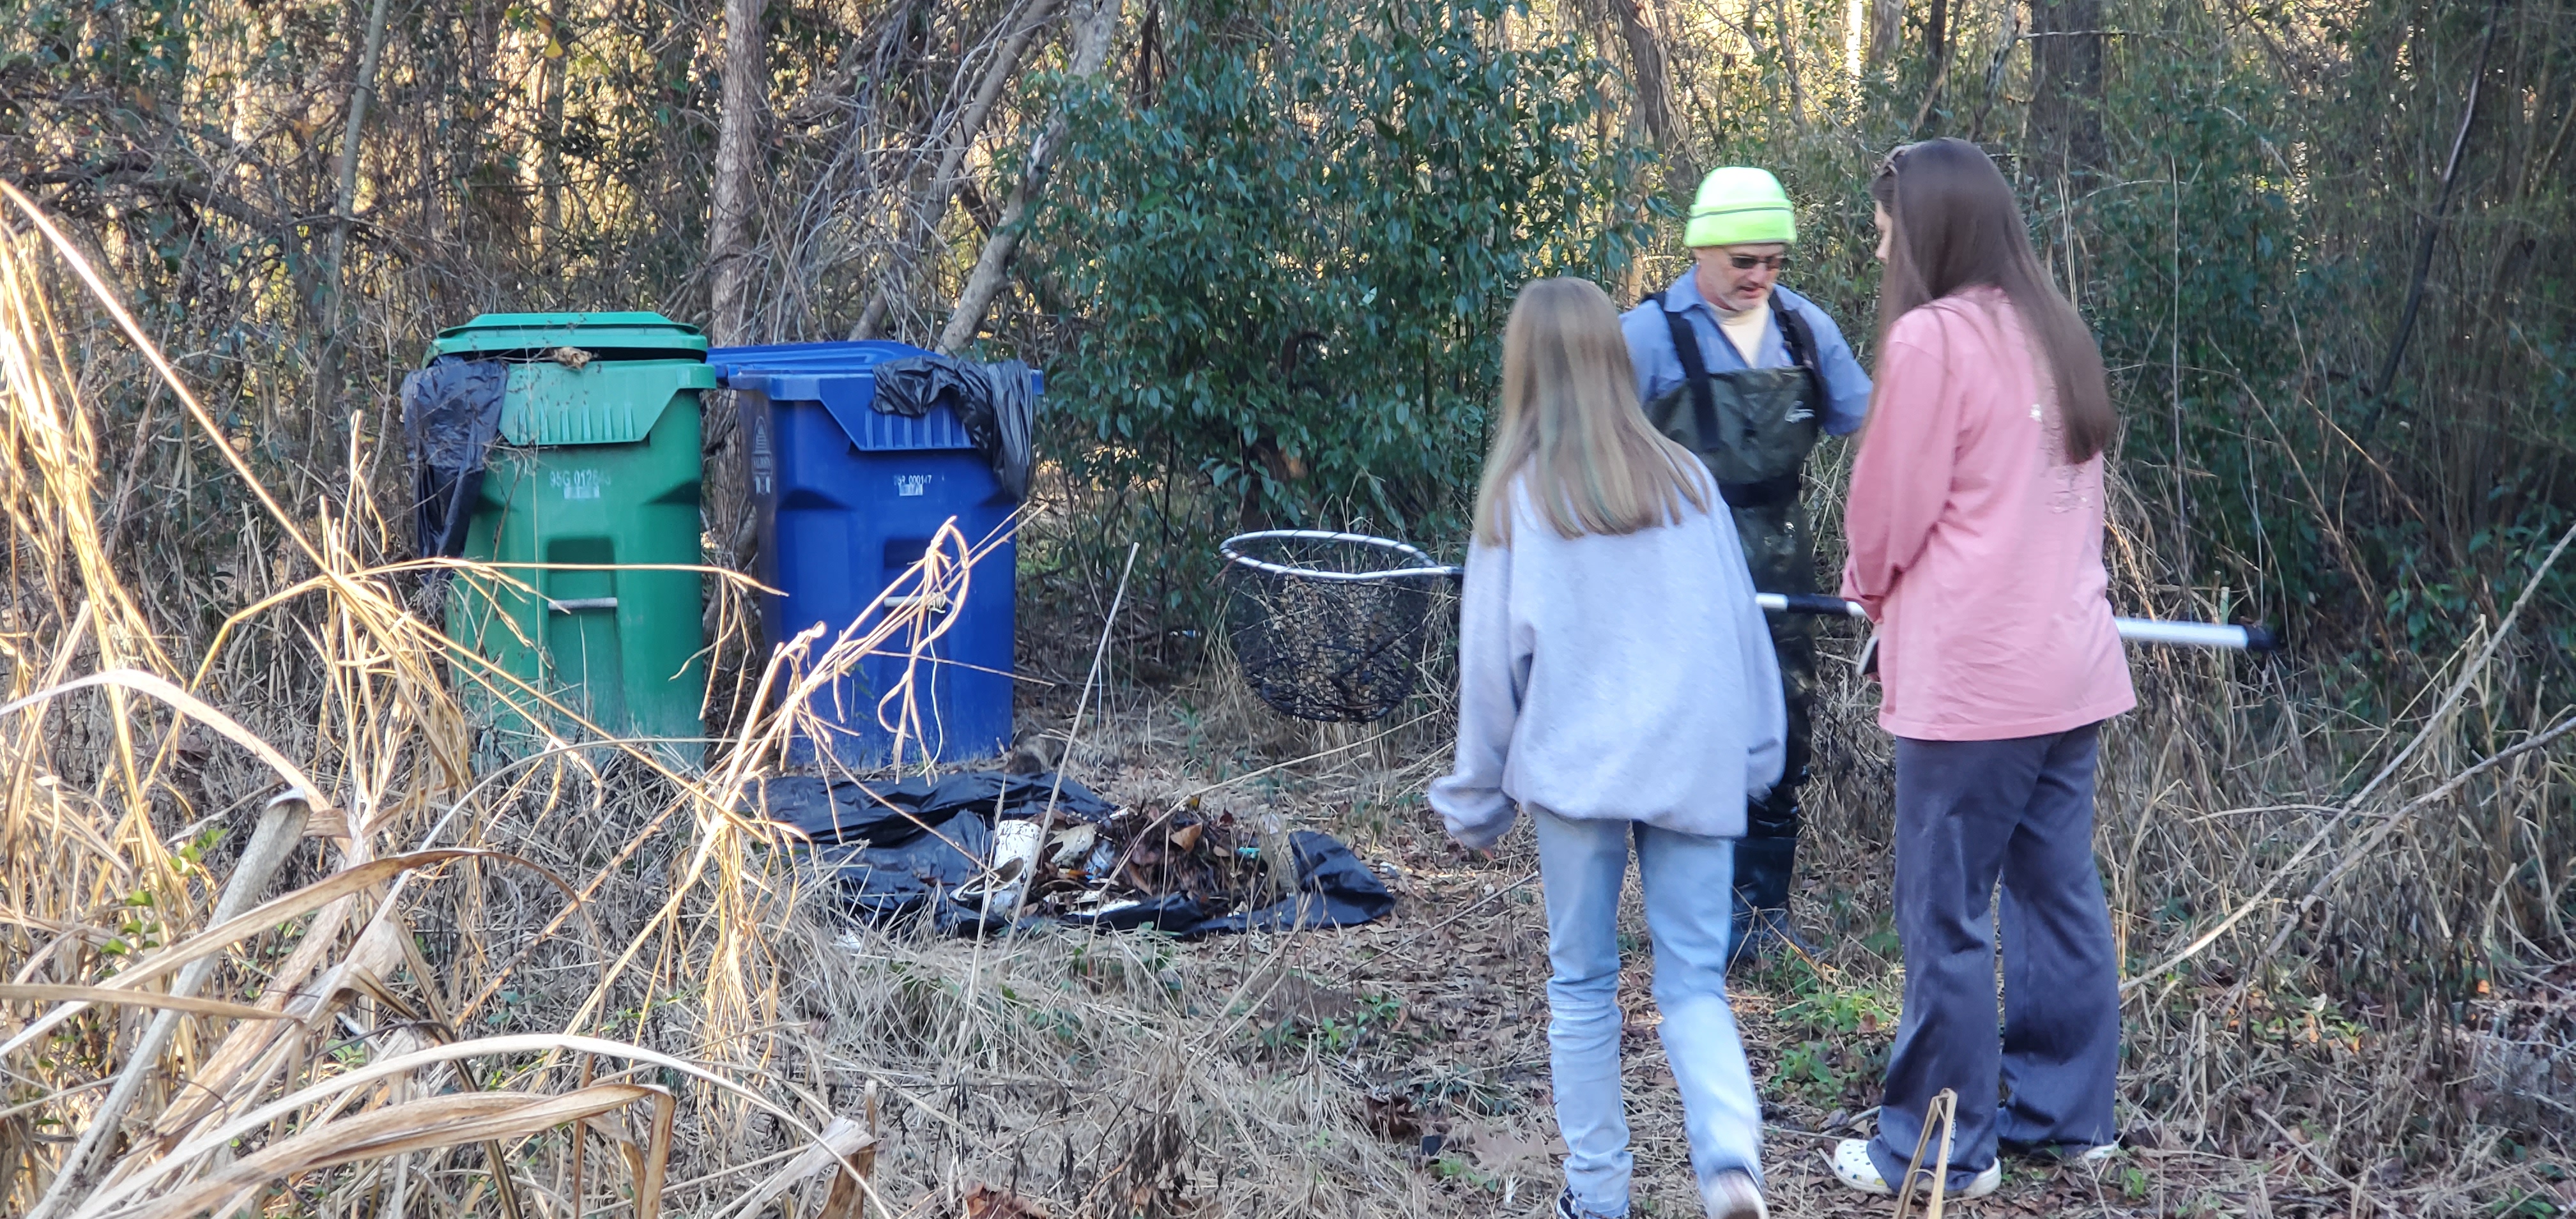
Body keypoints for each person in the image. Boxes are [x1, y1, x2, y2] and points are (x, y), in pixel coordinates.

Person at [1431, 277, 1786, 1219]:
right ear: (1612, 359)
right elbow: (1741, 631)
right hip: (1693, 757)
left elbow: (1490, 669)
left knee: (1582, 985)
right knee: (1695, 985)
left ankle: (1597, 1199)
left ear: (1525, 370)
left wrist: (1477, 800)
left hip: (1579, 770)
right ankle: (1729, 1165)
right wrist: (1757, 753)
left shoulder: (1518, 500)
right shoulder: (1688, 481)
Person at [1827, 138, 2136, 1202]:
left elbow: (1887, 513)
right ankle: (2064, 1116)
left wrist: (1862, 589)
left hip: (1973, 689)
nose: (1878, 244)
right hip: (2069, 673)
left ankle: (1940, 1145)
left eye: (1884, 225)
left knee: (1946, 913)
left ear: (1927, 228)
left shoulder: (1930, 341)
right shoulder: (2054, 330)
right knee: (2055, 894)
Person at [1620, 166, 1874, 965]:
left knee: (1782, 727)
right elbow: (1591, 452)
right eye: (1742, 261)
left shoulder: (1804, 329)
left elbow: (1870, 423)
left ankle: (1762, 917)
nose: (1759, 277)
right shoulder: (1644, 334)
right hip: (1672, 562)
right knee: (1676, 732)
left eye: (1773, 261)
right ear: (1701, 250)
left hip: (1781, 558)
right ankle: (1683, 914)